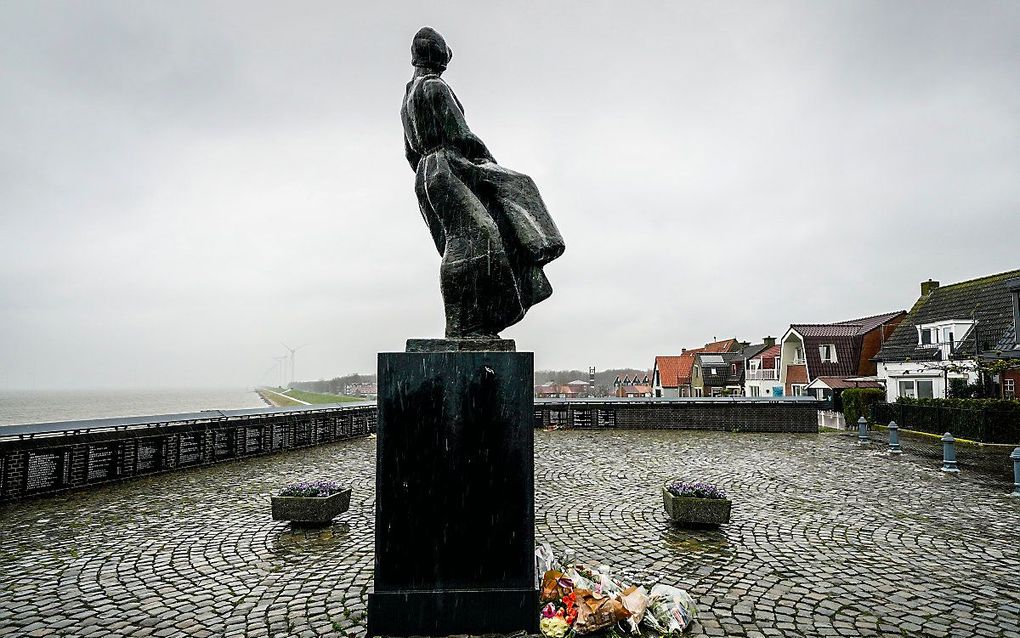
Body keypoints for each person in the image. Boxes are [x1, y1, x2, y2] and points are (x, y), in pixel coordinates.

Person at [401, 27, 565, 339]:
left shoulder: (408, 96)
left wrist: (429, 169)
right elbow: (461, 135)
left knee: (470, 238)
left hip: (428, 171)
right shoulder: (434, 87)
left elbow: (409, 151)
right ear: (439, 54)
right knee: (475, 237)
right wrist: (487, 163)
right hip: (446, 165)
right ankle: (464, 325)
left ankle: (468, 323)